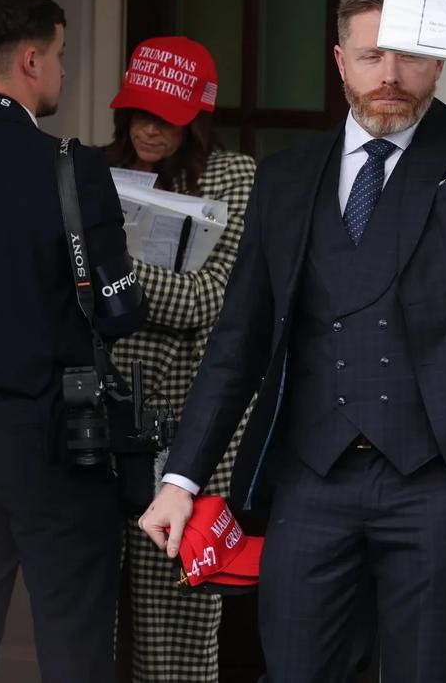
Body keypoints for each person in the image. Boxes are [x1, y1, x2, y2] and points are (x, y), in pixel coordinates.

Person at [136, 0, 446, 682]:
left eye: (410, 55)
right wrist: (182, 478)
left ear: (438, 62)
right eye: (371, 55)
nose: (391, 75)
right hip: (311, 479)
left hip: (438, 477)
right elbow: (239, 340)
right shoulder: (286, 176)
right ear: (339, 61)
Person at [0, 0, 146, 681]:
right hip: (54, 434)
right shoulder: (70, 165)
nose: (61, 68)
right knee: (73, 635)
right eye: (58, 53)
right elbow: (119, 311)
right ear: (29, 59)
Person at [103, 36, 257, 681]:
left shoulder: (235, 176)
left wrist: (105, 271)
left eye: (166, 116)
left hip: (189, 433)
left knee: (178, 626)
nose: (149, 128)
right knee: (91, 612)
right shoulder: (96, 173)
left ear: (197, 116)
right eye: (138, 112)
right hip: (105, 416)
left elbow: (207, 299)